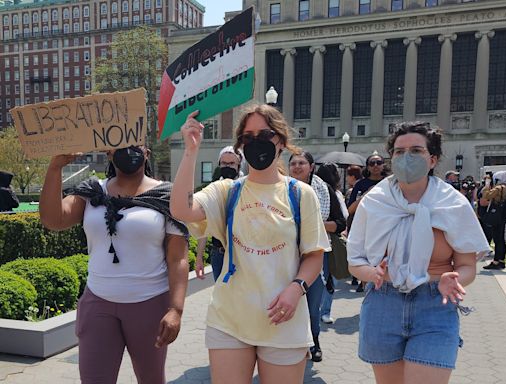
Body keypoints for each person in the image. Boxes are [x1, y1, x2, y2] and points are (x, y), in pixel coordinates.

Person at [171, 105, 330, 383]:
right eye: (248, 137)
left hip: (284, 320)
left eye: (265, 134)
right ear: (241, 145)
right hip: (230, 320)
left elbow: (314, 254)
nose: (256, 142)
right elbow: (182, 210)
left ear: (280, 140)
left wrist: (297, 288)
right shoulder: (227, 190)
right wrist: (190, 151)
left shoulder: (300, 194)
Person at [347, 121, 490, 384]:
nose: (406, 157)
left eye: (416, 150)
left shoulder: (452, 203)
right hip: (383, 303)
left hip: (435, 304)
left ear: (432, 159)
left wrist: (455, 279)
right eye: (399, 152)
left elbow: (467, 265)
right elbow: (354, 262)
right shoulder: (375, 201)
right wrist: (372, 272)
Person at [39, 146, 190, 384]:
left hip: (149, 304)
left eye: (135, 144)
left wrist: (176, 309)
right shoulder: (91, 192)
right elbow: (53, 219)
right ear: (109, 153)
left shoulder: (167, 195)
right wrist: (56, 167)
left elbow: (178, 258)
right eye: (120, 144)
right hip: (98, 303)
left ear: (147, 152)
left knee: (151, 379)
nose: (128, 150)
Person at [288, 152, 340, 362]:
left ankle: (314, 342)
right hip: (287, 255)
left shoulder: (324, 190)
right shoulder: (281, 189)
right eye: (293, 163)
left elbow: (340, 223)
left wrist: (312, 223)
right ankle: (289, 344)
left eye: (302, 163)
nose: (297, 166)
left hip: (316, 255)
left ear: (311, 166)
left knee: (312, 304)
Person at [195, 146, 243, 281]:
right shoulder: (213, 190)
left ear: (239, 165)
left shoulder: (247, 188)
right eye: (224, 163)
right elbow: (205, 225)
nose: (227, 166)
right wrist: (199, 257)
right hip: (219, 253)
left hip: (242, 254)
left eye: (232, 163)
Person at [347, 154, 387, 291]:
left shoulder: (391, 182)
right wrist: (366, 195)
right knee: (367, 263)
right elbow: (350, 209)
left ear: (383, 165)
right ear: (367, 167)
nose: (375, 166)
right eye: (372, 163)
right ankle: (367, 290)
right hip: (367, 229)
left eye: (379, 162)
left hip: (387, 228)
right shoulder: (361, 184)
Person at [315, 163, 348, 325]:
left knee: (325, 278)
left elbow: (341, 221)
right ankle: (324, 311)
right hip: (327, 242)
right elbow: (345, 217)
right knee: (327, 279)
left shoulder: (329, 193)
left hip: (326, 242)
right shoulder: (335, 193)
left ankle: (321, 311)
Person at [481, 170, 506, 270]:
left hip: (497, 215)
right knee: (500, 238)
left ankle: (496, 261)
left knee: (498, 239)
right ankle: (500, 260)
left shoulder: (500, 188)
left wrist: (487, 184)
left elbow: (486, 195)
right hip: (503, 215)